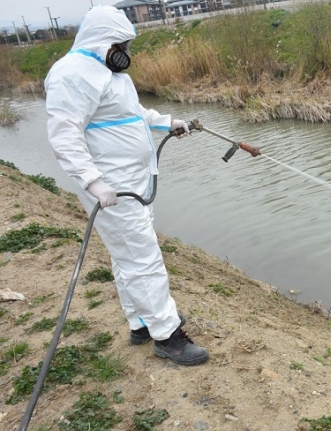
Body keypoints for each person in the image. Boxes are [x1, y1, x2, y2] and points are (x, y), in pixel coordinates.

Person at [44, 5, 208, 366]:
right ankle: (168, 336)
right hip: (110, 187)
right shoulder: (71, 74)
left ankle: (141, 322)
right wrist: (94, 182)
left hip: (132, 183)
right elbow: (64, 135)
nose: (127, 53)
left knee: (127, 256)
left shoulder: (112, 75)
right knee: (144, 259)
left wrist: (169, 123)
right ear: (103, 41)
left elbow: (134, 115)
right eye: (123, 44)